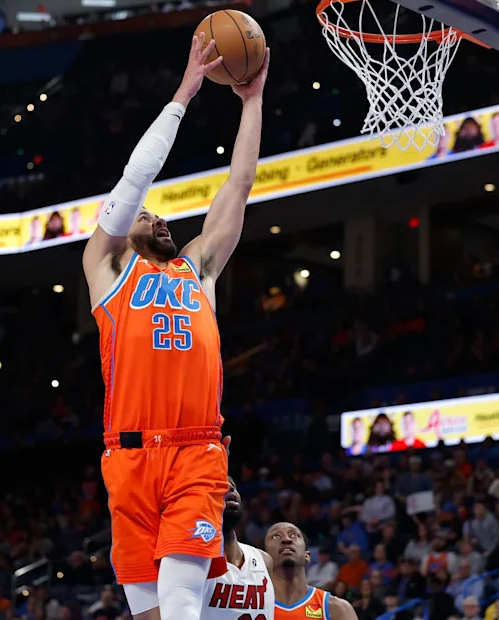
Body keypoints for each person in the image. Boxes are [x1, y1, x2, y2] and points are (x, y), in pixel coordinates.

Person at [81, 32, 269, 620]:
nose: (158, 218)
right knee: (151, 614)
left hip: (195, 451)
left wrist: (252, 100)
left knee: (181, 601)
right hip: (128, 459)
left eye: (162, 216)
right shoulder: (107, 269)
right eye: (146, 215)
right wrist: (185, 91)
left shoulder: (199, 269)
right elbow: (133, 180)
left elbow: (238, 186)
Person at [201, 478, 274, 620]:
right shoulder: (192, 559)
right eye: (219, 484)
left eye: (233, 485)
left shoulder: (264, 560)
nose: (229, 487)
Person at [263, 522, 357, 620]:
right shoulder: (252, 608)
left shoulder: (337, 609)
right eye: (276, 536)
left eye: (294, 535)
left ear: (307, 556)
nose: (286, 539)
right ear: (264, 558)